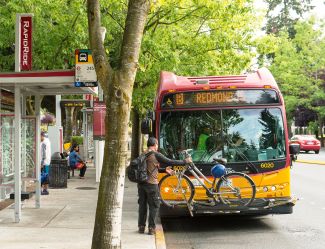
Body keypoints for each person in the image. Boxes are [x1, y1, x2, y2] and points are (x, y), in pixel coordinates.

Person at [137, 137, 192, 235]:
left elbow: (149, 168)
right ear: (154, 144)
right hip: (151, 185)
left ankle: (141, 227)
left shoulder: (143, 154)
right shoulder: (155, 154)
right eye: (157, 144)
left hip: (141, 185)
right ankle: (151, 228)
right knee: (154, 206)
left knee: (142, 206)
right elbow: (170, 161)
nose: (157, 146)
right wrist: (184, 161)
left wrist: (163, 170)